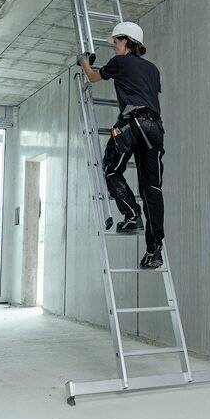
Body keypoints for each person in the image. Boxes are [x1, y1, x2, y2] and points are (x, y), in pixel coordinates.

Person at [78, 21, 165, 269]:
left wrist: (84, 61)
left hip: (131, 124)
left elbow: (94, 77)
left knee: (111, 169)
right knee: (152, 190)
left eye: (116, 41)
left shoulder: (121, 62)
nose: (114, 45)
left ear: (126, 41)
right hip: (155, 129)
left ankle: (131, 214)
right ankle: (154, 252)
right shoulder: (153, 69)